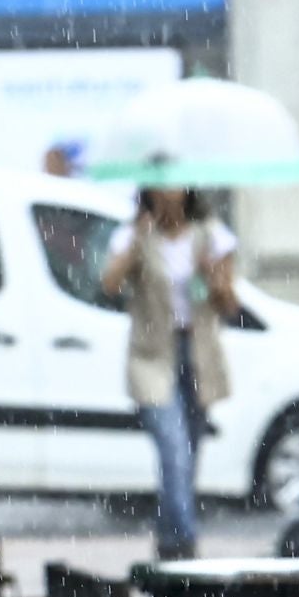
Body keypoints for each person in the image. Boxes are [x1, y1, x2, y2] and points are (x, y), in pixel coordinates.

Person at [101, 187, 239, 559]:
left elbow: (229, 304)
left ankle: (168, 537)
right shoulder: (136, 235)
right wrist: (136, 242)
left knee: (186, 457)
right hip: (152, 357)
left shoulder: (211, 235)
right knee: (174, 451)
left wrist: (214, 276)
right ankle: (185, 544)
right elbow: (109, 285)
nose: (167, 193)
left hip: (197, 355)